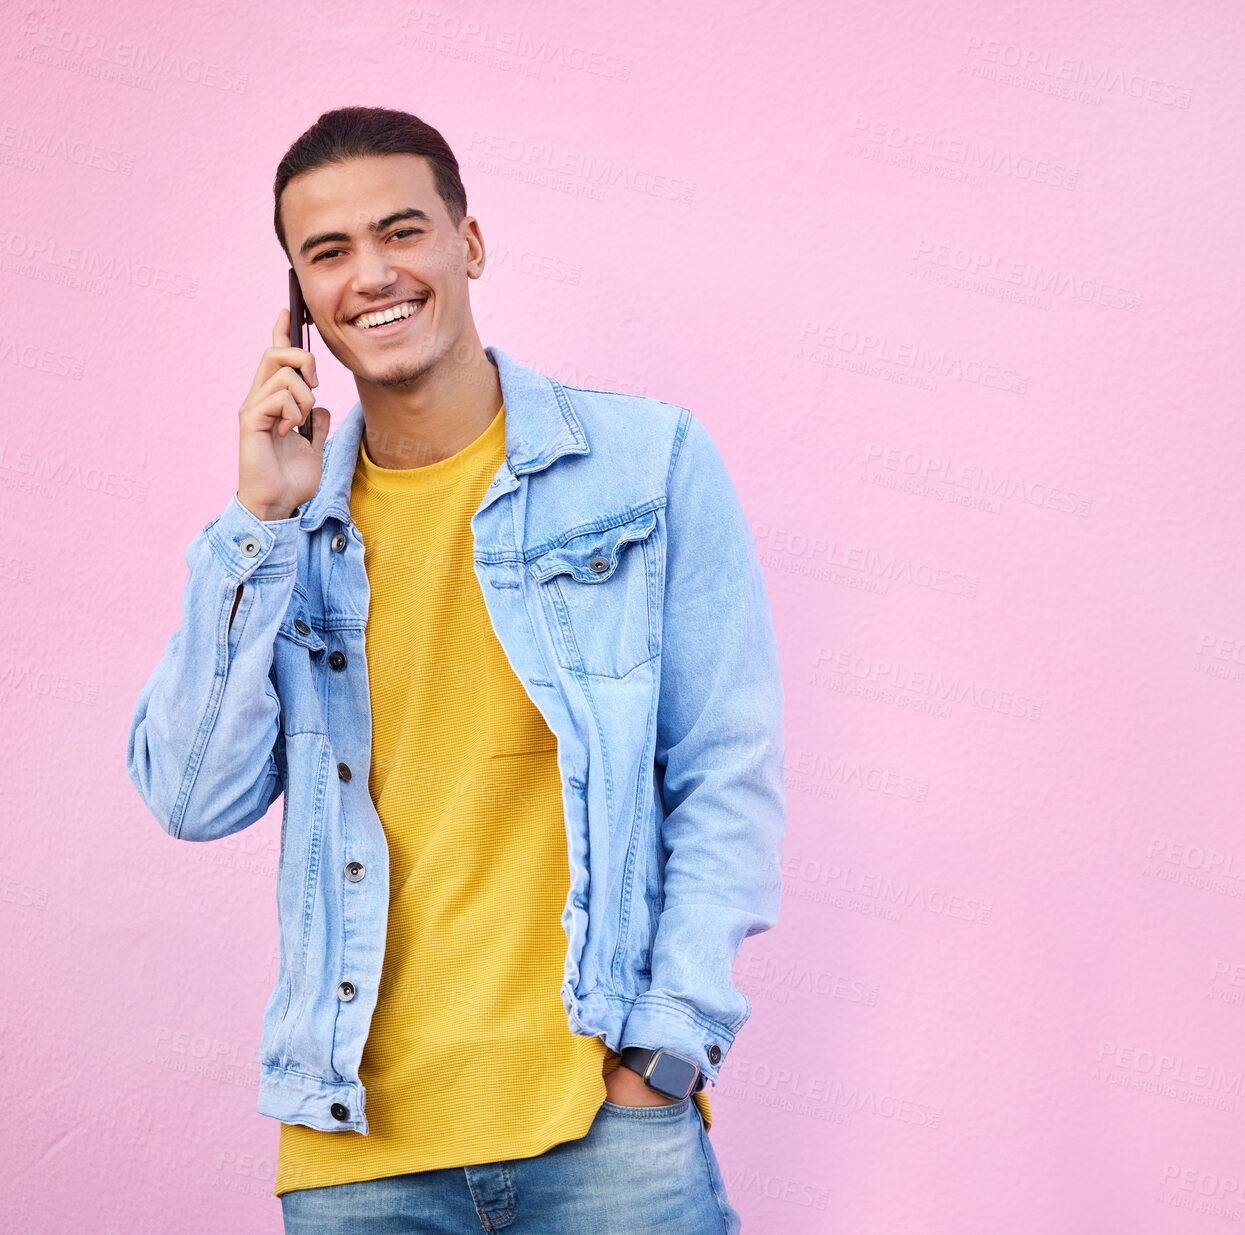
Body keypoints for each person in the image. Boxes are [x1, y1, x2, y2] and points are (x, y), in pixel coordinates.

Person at [125, 106, 787, 1234]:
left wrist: (666, 1048)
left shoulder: (647, 464)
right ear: (296, 299)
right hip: (359, 1160)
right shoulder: (287, 536)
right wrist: (258, 521)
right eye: (326, 253)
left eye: (401, 231)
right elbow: (191, 799)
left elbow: (725, 767)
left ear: (467, 244)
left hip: (604, 1138)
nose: (370, 274)